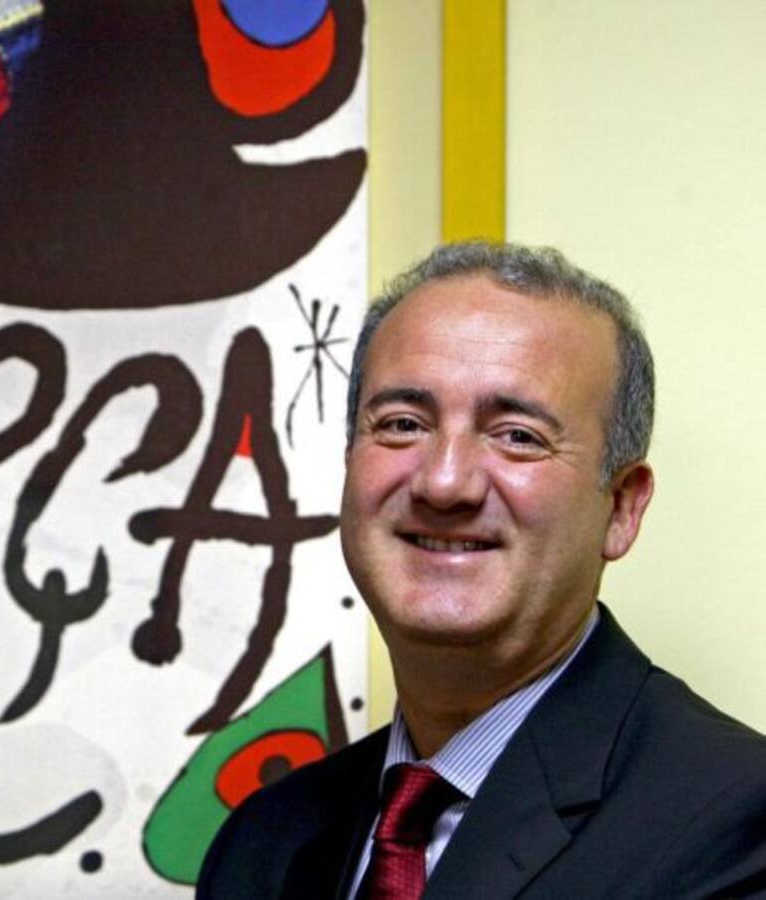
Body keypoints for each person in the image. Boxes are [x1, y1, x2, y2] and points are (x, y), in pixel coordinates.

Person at [196, 242, 766, 899]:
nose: (444, 483)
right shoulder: (262, 844)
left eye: (518, 435)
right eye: (403, 424)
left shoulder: (738, 827)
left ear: (621, 508)